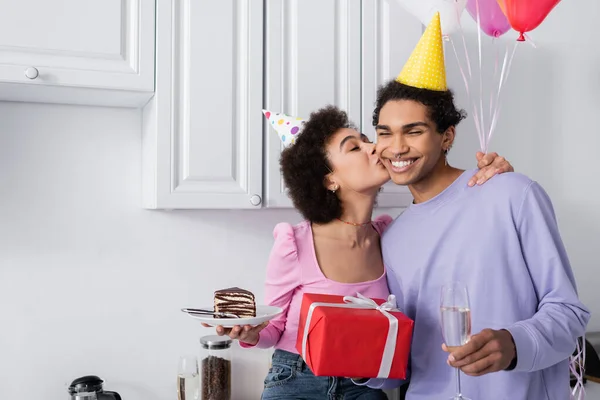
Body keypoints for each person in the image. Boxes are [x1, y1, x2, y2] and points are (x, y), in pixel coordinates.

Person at [205, 105, 513, 399]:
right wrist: (250, 334)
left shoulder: (389, 236)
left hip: (366, 387)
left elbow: (451, 228)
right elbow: (273, 328)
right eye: (354, 147)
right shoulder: (295, 243)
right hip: (297, 381)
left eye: (368, 141)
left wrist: (492, 181)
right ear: (330, 179)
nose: (374, 148)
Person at [362, 12, 591, 400]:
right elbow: (401, 362)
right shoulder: (391, 237)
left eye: (413, 132)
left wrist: (515, 343)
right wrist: (357, 358)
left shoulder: (512, 194)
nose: (396, 148)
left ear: (446, 136)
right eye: (385, 133)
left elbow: (568, 313)